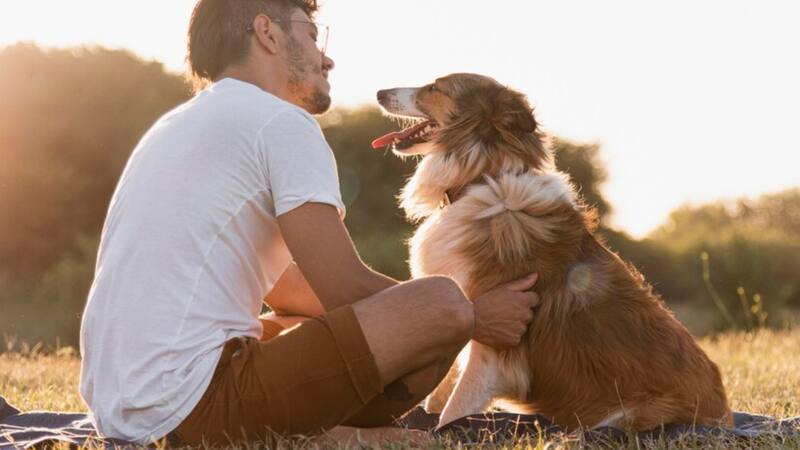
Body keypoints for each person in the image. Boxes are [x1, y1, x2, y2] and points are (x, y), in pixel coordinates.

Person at [78, 0, 540, 446]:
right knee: (440, 301)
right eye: (312, 36)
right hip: (192, 409)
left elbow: (282, 288)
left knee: (298, 320)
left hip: (122, 407)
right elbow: (342, 286)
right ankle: (323, 437)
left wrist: (403, 315)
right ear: (268, 34)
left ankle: (313, 432)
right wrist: (472, 317)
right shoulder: (280, 123)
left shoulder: (179, 124)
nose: (328, 58)